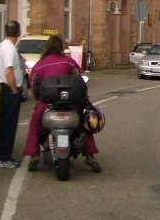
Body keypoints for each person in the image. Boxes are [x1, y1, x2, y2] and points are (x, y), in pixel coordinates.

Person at [23, 35, 102, 173]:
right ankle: (90, 154)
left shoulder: (40, 65)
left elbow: (33, 84)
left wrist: (39, 99)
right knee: (84, 123)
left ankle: (33, 154)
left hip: (47, 104)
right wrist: (82, 100)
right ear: (61, 48)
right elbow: (79, 81)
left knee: (35, 125)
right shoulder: (69, 62)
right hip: (71, 103)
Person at [0, 20, 24, 168]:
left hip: (4, 88)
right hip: (8, 89)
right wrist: (14, 90)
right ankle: (4, 158)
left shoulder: (1, 46)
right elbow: (8, 71)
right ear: (18, 32)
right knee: (9, 126)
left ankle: (3, 155)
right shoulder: (9, 48)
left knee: (5, 124)